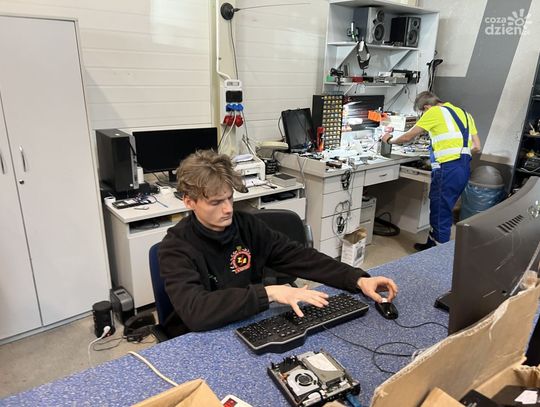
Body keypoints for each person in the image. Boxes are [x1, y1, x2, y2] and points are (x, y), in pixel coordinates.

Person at [159, 150, 398, 338]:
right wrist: (270, 293)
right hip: (199, 336)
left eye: (230, 198)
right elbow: (196, 312)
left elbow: (300, 257)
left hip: (247, 322)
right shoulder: (175, 247)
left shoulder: (246, 226)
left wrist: (357, 279)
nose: (228, 209)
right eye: (216, 202)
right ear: (189, 202)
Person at [381, 91, 482, 251]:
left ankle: (438, 256)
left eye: (422, 113)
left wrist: (388, 139)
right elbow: (477, 147)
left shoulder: (434, 112)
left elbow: (407, 137)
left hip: (447, 169)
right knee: (442, 208)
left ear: (427, 107)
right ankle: (431, 244)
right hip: (463, 168)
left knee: (440, 212)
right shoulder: (465, 114)